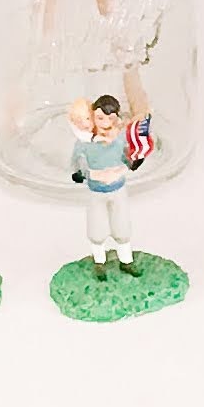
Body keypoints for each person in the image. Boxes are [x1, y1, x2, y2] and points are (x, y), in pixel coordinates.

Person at [68, 90, 143, 276]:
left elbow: (127, 154)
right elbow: (77, 160)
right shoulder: (86, 142)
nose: (104, 123)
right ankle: (99, 262)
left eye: (110, 118)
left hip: (117, 188)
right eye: (100, 118)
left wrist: (132, 161)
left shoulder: (119, 138)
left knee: (122, 226)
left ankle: (126, 261)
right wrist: (81, 173)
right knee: (97, 228)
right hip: (97, 190)